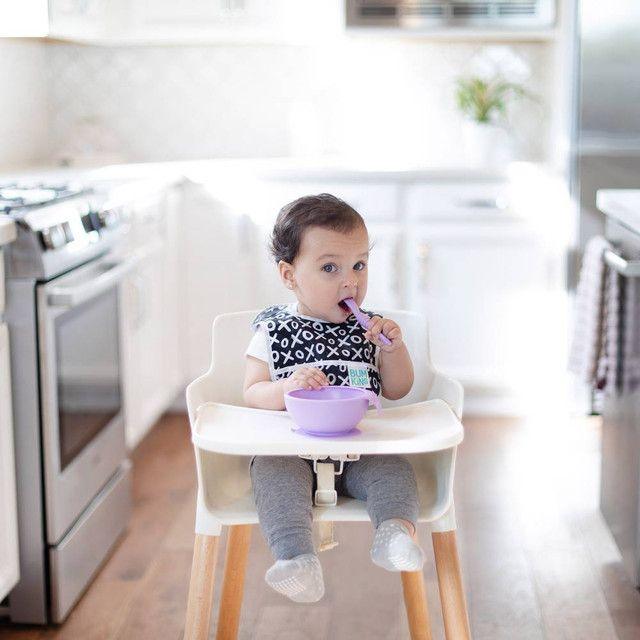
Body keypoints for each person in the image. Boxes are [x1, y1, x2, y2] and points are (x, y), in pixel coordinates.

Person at [243, 193, 424, 603]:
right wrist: (286, 388)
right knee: (271, 473)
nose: (351, 282)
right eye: (330, 268)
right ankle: (296, 559)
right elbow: (252, 393)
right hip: (292, 451)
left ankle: (395, 533)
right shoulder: (272, 330)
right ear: (289, 276)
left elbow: (397, 389)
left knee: (395, 471)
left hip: (360, 450)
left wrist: (393, 350)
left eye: (359, 265)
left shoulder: (370, 329)